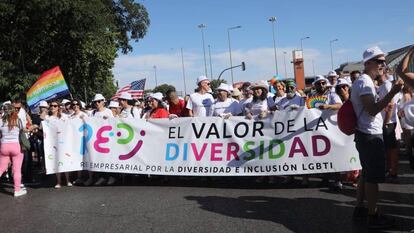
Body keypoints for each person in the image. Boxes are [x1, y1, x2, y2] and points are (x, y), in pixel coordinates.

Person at [351, 46, 403, 228]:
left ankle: (359, 208)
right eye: (379, 61)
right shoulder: (365, 82)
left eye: (384, 61)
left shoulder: (365, 81)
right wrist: (392, 92)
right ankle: (373, 216)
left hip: (366, 134)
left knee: (366, 173)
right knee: (373, 178)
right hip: (369, 135)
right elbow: (373, 110)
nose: (383, 64)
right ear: (369, 63)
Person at [0, 104, 36, 197]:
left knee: (1, 168)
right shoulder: (18, 120)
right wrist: (34, 126)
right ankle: (17, 190)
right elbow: (25, 130)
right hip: (16, 146)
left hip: (4, 146)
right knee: (17, 169)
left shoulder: (1, 121)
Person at [376, 73, 399, 183]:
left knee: (391, 148)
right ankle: (389, 170)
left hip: (388, 122)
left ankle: (393, 172)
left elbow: (391, 105)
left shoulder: (386, 85)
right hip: (386, 122)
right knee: (387, 148)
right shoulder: (382, 86)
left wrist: (385, 122)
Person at [48, 100, 72, 189]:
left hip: (64, 141)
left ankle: (68, 180)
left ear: (58, 107)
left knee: (65, 160)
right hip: (54, 143)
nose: (53, 107)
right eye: (51, 106)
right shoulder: (49, 118)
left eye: (55, 106)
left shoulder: (64, 117)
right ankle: (58, 181)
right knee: (56, 161)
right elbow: (43, 128)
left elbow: (71, 124)